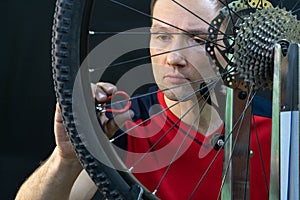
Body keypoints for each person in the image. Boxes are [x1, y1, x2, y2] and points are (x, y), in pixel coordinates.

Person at [15, 0, 272, 199]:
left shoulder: (275, 129)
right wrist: (67, 159)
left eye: (197, 39)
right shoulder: (121, 125)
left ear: (235, 45)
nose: (173, 58)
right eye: (162, 36)